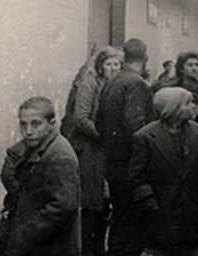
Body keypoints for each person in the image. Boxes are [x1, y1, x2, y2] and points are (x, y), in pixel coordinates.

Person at [128, 87, 198, 256]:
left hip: (191, 211)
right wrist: (149, 201)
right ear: (174, 108)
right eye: (188, 102)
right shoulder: (145, 137)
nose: (193, 106)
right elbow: (136, 175)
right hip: (160, 212)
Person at [0, 97, 80, 256]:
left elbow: (61, 207)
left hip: (50, 246)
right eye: (23, 124)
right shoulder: (37, 146)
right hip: (36, 241)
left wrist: (24, 236)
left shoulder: (59, 155)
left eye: (36, 124)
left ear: (52, 124)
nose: (28, 131)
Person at [60, 46, 123, 256]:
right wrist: (105, 138)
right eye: (108, 64)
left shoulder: (116, 84)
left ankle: (99, 247)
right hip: (91, 149)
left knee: (106, 201)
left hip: (108, 151)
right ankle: (87, 248)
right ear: (100, 66)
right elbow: (81, 119)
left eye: (117, 64)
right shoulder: (90, 83)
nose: (113, 68)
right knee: (90, 201)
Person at [96, 38, 155, 256]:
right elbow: (136, 128)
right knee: (131, 230)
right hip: (131, 167)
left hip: (114, 164)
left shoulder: (112, 82)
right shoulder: (136, 84)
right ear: (145, 58)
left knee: (120, 223)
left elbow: (99, 124)